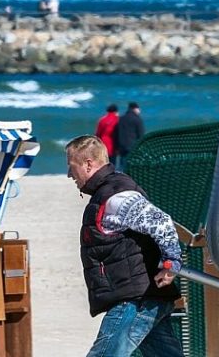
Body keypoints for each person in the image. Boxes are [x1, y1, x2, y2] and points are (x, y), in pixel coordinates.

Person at [65, 135, 184, 357]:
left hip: (135, 302)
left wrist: (171, 263)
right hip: (147, 298)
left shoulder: (116, 195)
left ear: (88, 164)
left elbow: (161, 221)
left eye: (71, 167)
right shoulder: (109, 191)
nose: (69, 174)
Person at [114, 102, 145, 172]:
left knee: (122, 167)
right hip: (133, 146)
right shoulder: (137, 119)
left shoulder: (121, 119)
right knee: (132, 167)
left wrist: (117, 146)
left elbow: (116, 133)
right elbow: (141, 135)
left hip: (121, 146)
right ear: (135, 109)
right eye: (138, 109)